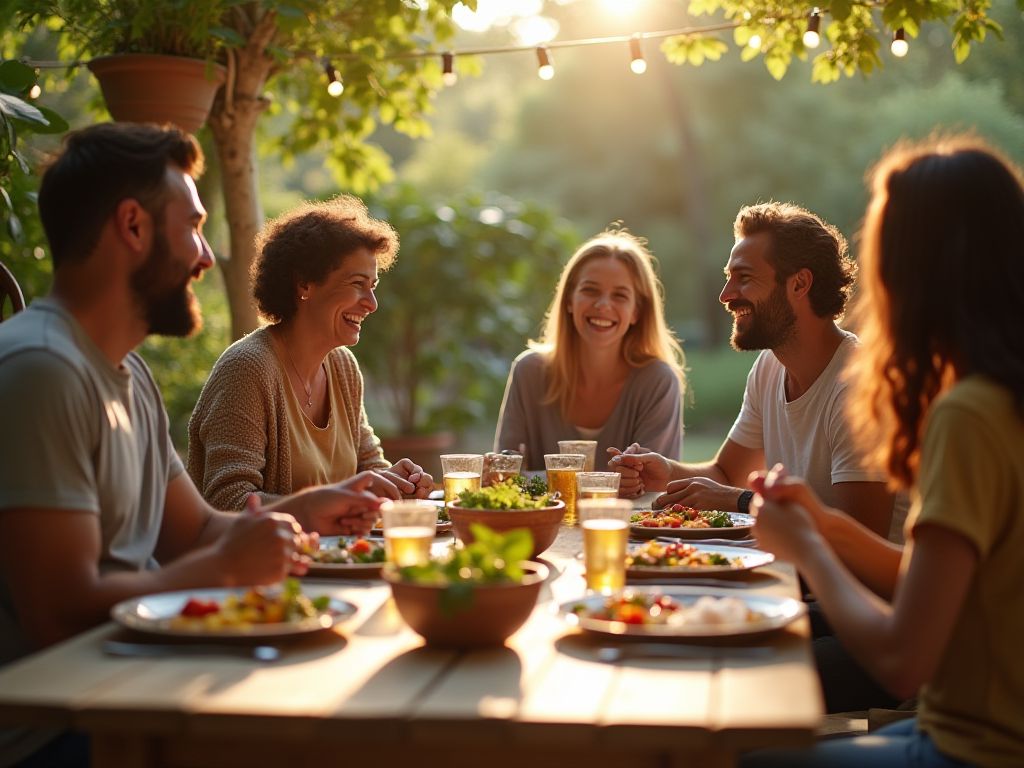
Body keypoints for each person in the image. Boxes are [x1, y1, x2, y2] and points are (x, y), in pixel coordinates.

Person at [0, 124, 381, 767]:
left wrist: (307, 511)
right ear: (133, 226)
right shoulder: (43, 370)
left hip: (131, 683)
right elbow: (59, 616)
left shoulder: (127, 375)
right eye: (194, 227)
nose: (206, 256)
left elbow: (195, 529)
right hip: (60, 730)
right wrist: (226, 568)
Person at [743, 137, 1024, 767]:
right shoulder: (995, 395)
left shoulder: (969, 415)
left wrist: (809, 551)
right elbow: (930, 577)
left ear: (913, 269)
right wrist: (825, 525)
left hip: (969, 748)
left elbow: (902, 661)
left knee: (735, 755)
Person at [610, 202, 896, 540]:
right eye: (728, 278)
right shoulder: (769, 367)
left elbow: (862, 536)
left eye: (744, 278)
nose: (725, 295)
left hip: (851, 591)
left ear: (800, 284)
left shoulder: (859, 385)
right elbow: (727, 472)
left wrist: (743, 501)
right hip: (796, 574)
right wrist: (665, 472)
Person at [187, 196, 433, 510]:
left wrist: (395, 482)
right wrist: (330, 502)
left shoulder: (342, 366)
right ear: (304, 283)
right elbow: (227, 502)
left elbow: (367, 467)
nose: (372, 303)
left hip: (332, 557)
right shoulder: (247, 369)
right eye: (358, 283)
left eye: (373, 286)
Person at [494, 227, 685, 471]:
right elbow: (505, 477)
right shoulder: (528, 371)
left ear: (636, 311)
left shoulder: (658, 381)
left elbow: (653, 490)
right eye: (590, 290)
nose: (603, 305)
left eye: (620, 295)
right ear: (569, 300)